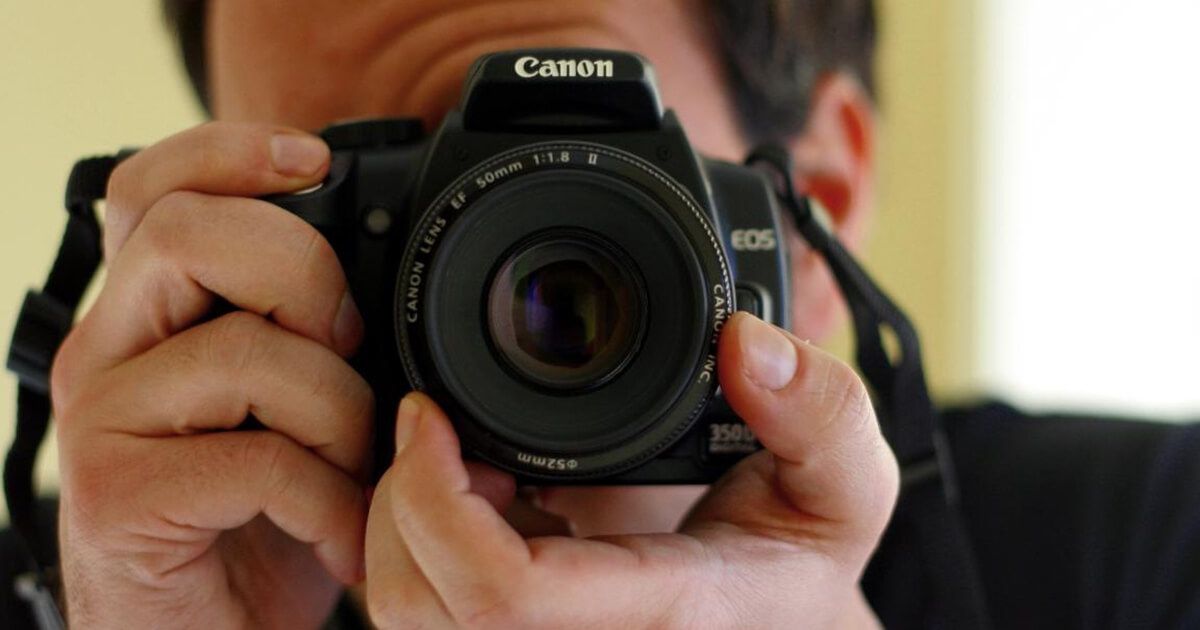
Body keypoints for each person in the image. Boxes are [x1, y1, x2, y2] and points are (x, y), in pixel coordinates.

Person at [6, 0, 1199, 628]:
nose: (470, 264)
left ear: (805, 218)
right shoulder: (111, 575)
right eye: (378, 199)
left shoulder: (1152, 550)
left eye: (558, 168)